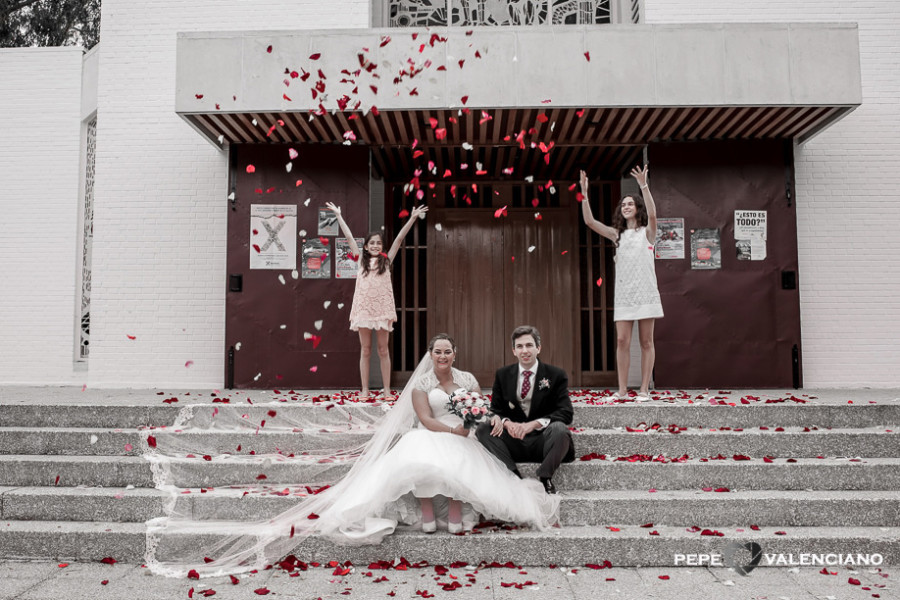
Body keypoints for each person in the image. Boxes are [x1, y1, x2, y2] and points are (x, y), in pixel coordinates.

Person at [144, 333, 559, 578]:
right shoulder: (423, 382)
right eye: (438, 351)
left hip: (461, 432)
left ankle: (452, 510)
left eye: (448, 351)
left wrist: (470, 424)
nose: (444, 356)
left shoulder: (467, 379)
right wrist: (455, 428)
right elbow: (423, 419)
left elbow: (480, 410)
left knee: (458, 460)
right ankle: (429, 512)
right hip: (434, 430)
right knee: (430, 457)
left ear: (455, 354)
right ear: (430, 355)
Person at [325, 202, 427, 399]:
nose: (375, 246)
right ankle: (364, 389)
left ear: (382, 247)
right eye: (372, 243)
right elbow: (347, 237)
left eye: (378, 243)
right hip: (364, 309)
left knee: (382, 349)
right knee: (365, 349)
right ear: (365, 246)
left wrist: (413, 218)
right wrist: (338, 215)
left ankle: (387, 390)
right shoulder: (359, 260)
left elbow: (398, 239)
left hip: (382, 309)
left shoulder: (386, 261)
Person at [579, 165, 664, 402]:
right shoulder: (617, 235)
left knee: (646, 341)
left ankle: (644, 390)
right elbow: (590, 222)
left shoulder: (648, 233)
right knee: (621, 340)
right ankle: (623, 390)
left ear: (637, 209)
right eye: (623, 204)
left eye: (630, 204)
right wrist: (584, 194)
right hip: (624, 294)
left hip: (646, 292)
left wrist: (644, 186)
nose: (626, 206)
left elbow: (654, 214)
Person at [476, 325, 575, 495]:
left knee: (560, 429)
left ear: (538, 347)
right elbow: (496, 409)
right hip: (514, 442)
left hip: (542, 441)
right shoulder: (503, 374)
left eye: (529, 345)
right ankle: (513, 476)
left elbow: (566, 412)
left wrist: (532, 425)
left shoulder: (556, 375)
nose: (525, 350)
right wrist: (506, 423)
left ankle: (545, 476)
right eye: (520, 346)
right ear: (514, 351)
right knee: (484, 429)